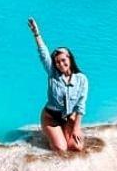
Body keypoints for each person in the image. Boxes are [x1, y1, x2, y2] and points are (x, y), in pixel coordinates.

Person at [28, 17, 88, 153]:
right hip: (51, 117)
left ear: (70, 59)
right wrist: (36, 34)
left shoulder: (82, 79)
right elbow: (43, 54)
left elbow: (81, 106)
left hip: (68, 117)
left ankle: (63, 131)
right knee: (61, 149)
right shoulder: (52, 73)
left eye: (63, 60)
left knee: (76, 147)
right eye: (57, 62)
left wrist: (77, 127)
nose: (60, 64)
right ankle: (49, 134)